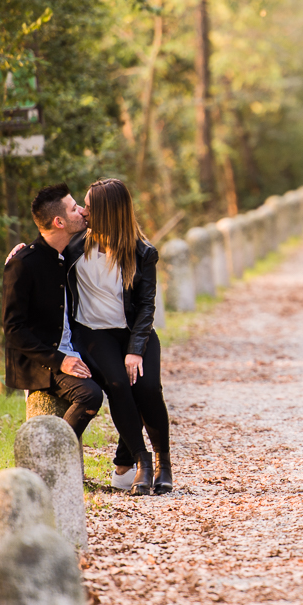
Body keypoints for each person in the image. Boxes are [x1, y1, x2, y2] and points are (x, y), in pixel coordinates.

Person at [65, 178, 172, 496]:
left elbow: (146, 306)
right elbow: (43, 251)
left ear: (107, 212)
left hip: (135, 333)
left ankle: (163, 463)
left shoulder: (142, 252)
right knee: (118, 385)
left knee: (149, 387)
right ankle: (141, 463)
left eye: (88, 205)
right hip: (93, 334)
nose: (82, 211)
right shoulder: (75, 247)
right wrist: (21, 251)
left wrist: (136, 350)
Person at [2, 184, 103, 442]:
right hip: (43, 360)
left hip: (74, 347)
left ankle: (128, 462)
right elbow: (14, 330)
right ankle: (54, 452)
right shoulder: (22, 264)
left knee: (123, 380)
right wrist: (60, 360)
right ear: (59, 221)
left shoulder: (69, 250)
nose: (81, 211)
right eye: (74, 208)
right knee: (90, 395)